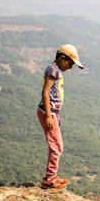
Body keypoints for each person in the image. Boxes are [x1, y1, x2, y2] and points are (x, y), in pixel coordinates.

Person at [37, 44, 84, 189]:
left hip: (51, 113)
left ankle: (53, 175)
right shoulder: (53, 70)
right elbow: (45, 92)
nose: (71, 67)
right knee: (56, 147)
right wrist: (49, 116)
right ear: (62, 58)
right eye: (70, 63)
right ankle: (49, 179)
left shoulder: (56, 70)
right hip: (48, 112)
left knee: (58, 146)